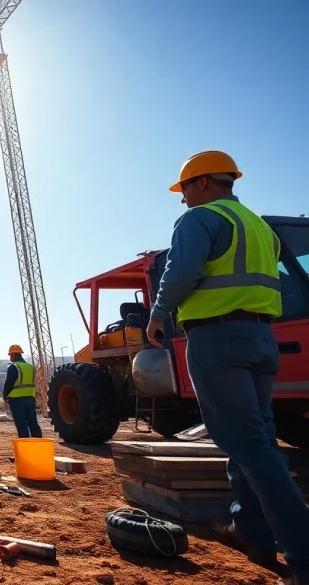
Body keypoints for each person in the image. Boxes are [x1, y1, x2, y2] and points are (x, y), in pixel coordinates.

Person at [146, 151, 309, 585]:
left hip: (217, 339)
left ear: (201, 184)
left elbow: (179, 273)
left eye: (183, 190)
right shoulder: (260, 227)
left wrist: (158, 314)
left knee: (249, 442)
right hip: (260, 338)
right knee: (251, 435)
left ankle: (303, 553)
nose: (181, 200)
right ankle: (251, 531)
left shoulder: (199, 219)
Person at [3, 344, 42, 438]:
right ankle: (39, 446)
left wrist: (5, 396)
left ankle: (25, 447)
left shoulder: (13, 367)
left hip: (17, 401)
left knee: (21, 426)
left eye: (10, 355)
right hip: (30, 399)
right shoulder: (30, 367)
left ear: (13, 355)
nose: (10, 358)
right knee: (33, 424)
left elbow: (8, 384)